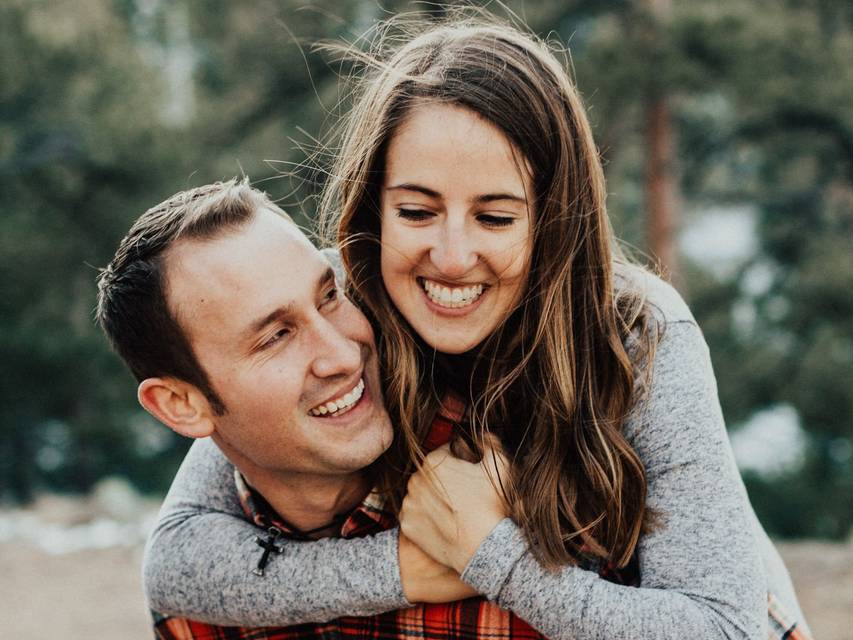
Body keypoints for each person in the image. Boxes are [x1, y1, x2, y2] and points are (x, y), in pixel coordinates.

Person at [141, 13, 813, 640]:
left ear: (553, 221)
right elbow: (178, 560)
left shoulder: (634, 331)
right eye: (416, 212)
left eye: (495, 218)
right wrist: (402, 568)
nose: (453, 257)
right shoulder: (338, 307)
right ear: (373, 210)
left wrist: (494, 556)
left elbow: (726, 626)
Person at [97, 180, 530, 637]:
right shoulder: (202, 614)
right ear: (182, 406)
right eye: (276, 336)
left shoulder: (513, 461)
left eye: (329, 296)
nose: (344, 356)